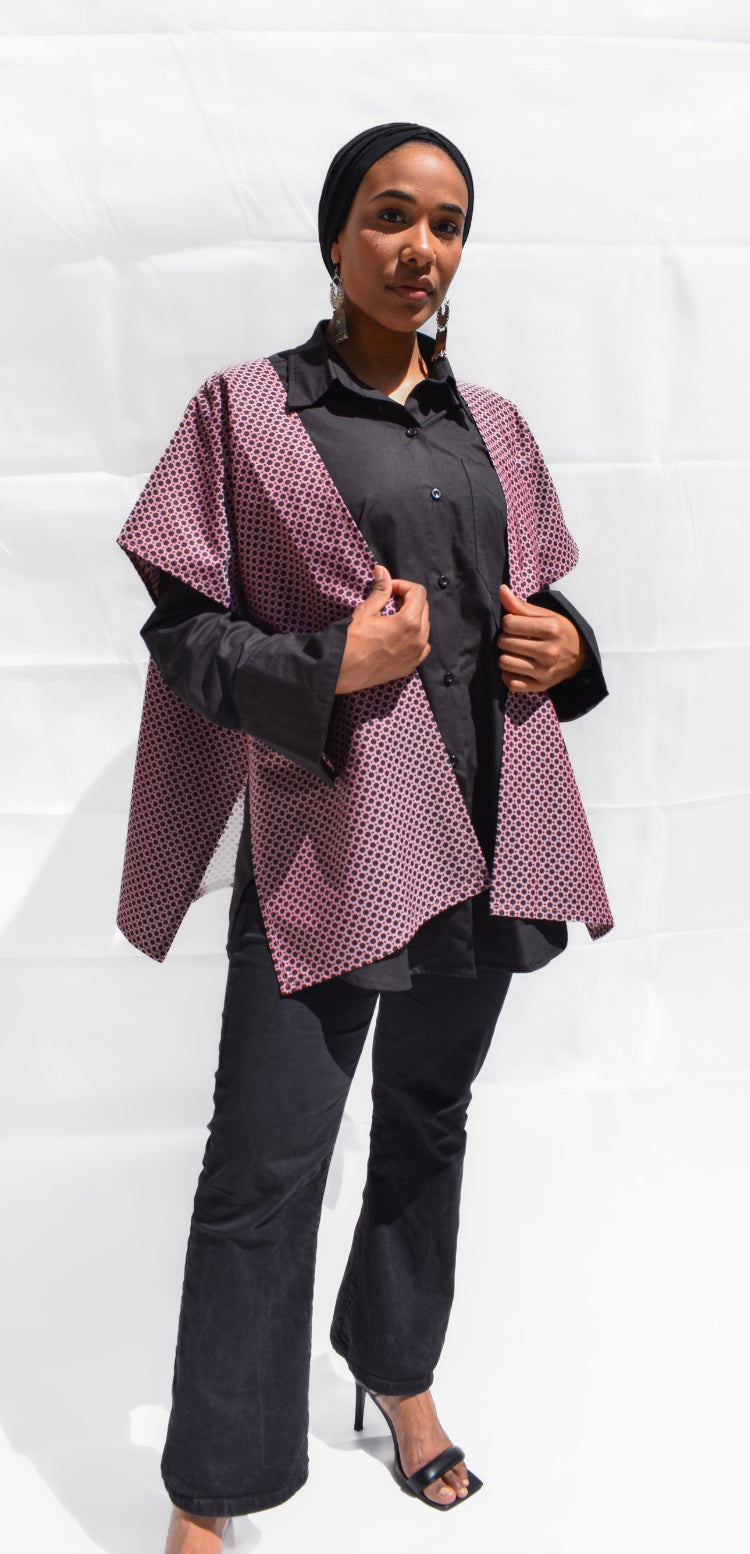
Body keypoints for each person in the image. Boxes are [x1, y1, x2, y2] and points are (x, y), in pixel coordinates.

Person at [115, 123, 613, 1551]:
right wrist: (330, 664)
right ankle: (213, 1486)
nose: (420, 249)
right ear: (335, 234)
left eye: (447, 225)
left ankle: (395, 1372)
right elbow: (182, 635)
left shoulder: (489, 424)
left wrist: (573, 647)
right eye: (391, 216)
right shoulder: (246, 412)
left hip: (490, 833)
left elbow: (533, 611)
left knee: (428, 1117)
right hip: (329, 848)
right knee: (263, 1164)